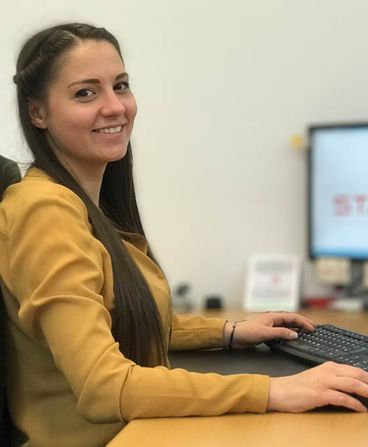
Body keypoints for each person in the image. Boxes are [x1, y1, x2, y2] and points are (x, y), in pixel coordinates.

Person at [0, 22, 368, 447]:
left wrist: (230, 332)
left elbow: (122, 320)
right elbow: (102, 387)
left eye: (120, 86)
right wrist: (274, 391)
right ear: (37, 112)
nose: (115, 106)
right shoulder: (44, 211)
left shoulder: (84, 206)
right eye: (85, 92)